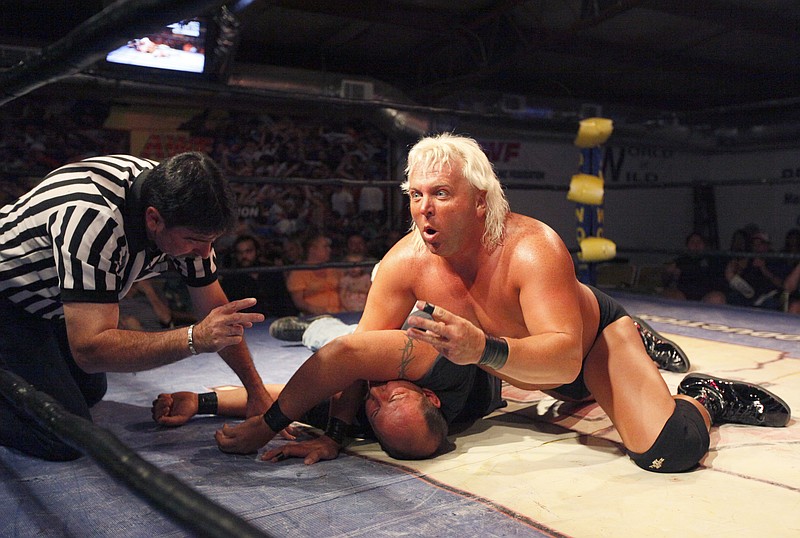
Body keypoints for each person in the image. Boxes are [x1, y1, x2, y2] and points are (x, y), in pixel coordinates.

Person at [213, 134, 790, 472]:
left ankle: (704, 395)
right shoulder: (402, 264)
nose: (424, 210)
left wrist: (482, 347)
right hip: (518, 364)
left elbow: (563, 361)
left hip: (581, 344)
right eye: (415, 195)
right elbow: (359, 356)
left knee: (668, 453)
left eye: (441, 194)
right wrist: (335, 435)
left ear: (479, 197)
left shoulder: (530, 248)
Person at [0, 152, 272, 461]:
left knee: (91, 390)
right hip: (8, 298)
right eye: (196, 240)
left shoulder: (181, 211)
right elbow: (89, 349)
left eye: (211, 240)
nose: (205, 251)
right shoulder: (93, 218)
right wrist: (193, 339)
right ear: (154, 219)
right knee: (61, 437)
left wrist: (256, 392)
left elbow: (216, 313)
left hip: (50, 304)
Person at [219, 235, 296, 317]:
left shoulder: (271, 271)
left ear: (257, 251)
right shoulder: (231, 279)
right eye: (240, 253)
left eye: (248, 251)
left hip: (275, 319)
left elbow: (284, 298)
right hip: (248, 323)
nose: (244, 256)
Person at [725, 231, 785, 309]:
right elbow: (739, 276)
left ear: (767, 245)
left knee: (771, 303)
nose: (756, 247)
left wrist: (764, 269)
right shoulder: (749, 259)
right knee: (732, 296)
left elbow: (782, 284)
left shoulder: (776, 259)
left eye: (760, 244)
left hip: (768, 296)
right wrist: (736, 269)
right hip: (748, 294)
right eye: (754, 244)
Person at [285, 234, 343, 315]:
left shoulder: (334, 268)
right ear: (313, 249)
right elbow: (298, 301)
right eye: (325, 247)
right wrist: (315, 310)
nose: (329, 250)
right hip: (313, 316)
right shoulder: (298, 273)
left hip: (341, 313)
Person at [662, 232, 726, 304]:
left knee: (717, 298)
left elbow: (721, 282)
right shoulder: (680, 261)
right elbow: (665, 282)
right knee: (670, 295)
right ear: (687, 246)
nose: (696, 245)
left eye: (699, 242)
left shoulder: (714, 260)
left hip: (706, 299)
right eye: (692, 242)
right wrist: (669, 273)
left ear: (704, 245)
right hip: (683, 298)